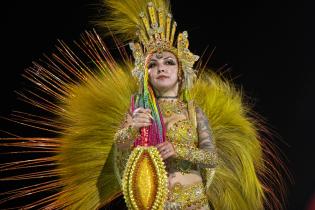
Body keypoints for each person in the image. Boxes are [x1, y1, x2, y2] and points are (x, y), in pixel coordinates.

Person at [0, 0, 288, 209]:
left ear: (181, 70)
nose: (161, 68)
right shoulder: (139, 110)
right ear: (145, 72)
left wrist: (180, 149)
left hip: (194, 203)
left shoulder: (193, 111)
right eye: (154, 63)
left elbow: (212, 158)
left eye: (169, 62)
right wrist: (128, 130)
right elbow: (121, 160)